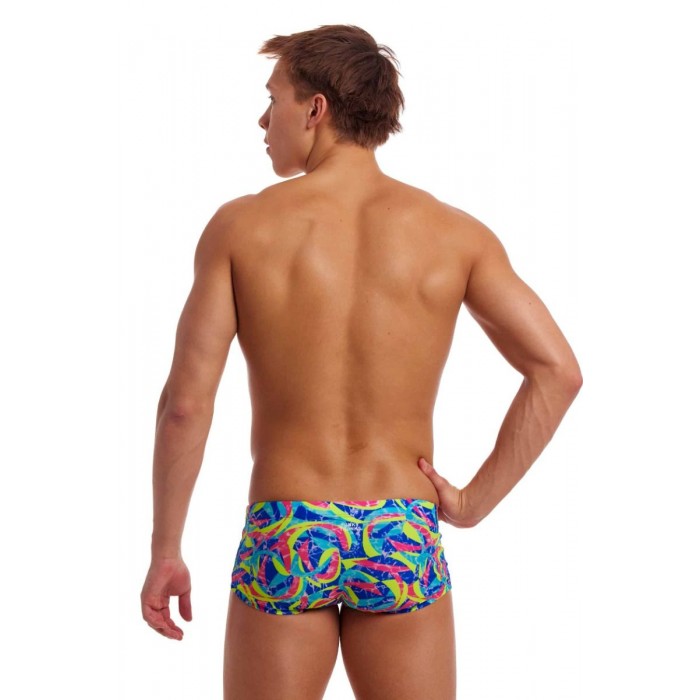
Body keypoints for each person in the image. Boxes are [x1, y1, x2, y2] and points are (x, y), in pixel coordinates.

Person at [140, 24, 582, 700]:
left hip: (289, 528)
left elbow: (185, 405)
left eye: (274, 99)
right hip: (400, 531)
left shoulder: (242, 227)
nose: (263, 120)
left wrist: (166, 549)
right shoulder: (455, 235)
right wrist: (471, 503)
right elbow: (557, 370)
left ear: (315, 109)